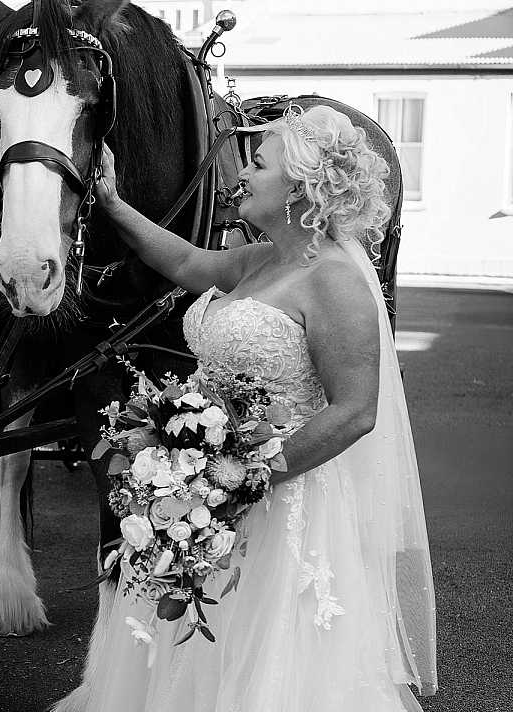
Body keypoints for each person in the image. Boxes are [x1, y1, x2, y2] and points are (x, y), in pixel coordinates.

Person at [63, 105, 436, 711]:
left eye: (256, 164)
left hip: (283, 501)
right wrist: (106, 199)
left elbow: (354, 411)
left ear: (298, 183)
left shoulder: (335, 281)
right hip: (204, 495)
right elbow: (184, 262)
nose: (238, 174)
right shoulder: (261, 260)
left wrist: (240, 480)